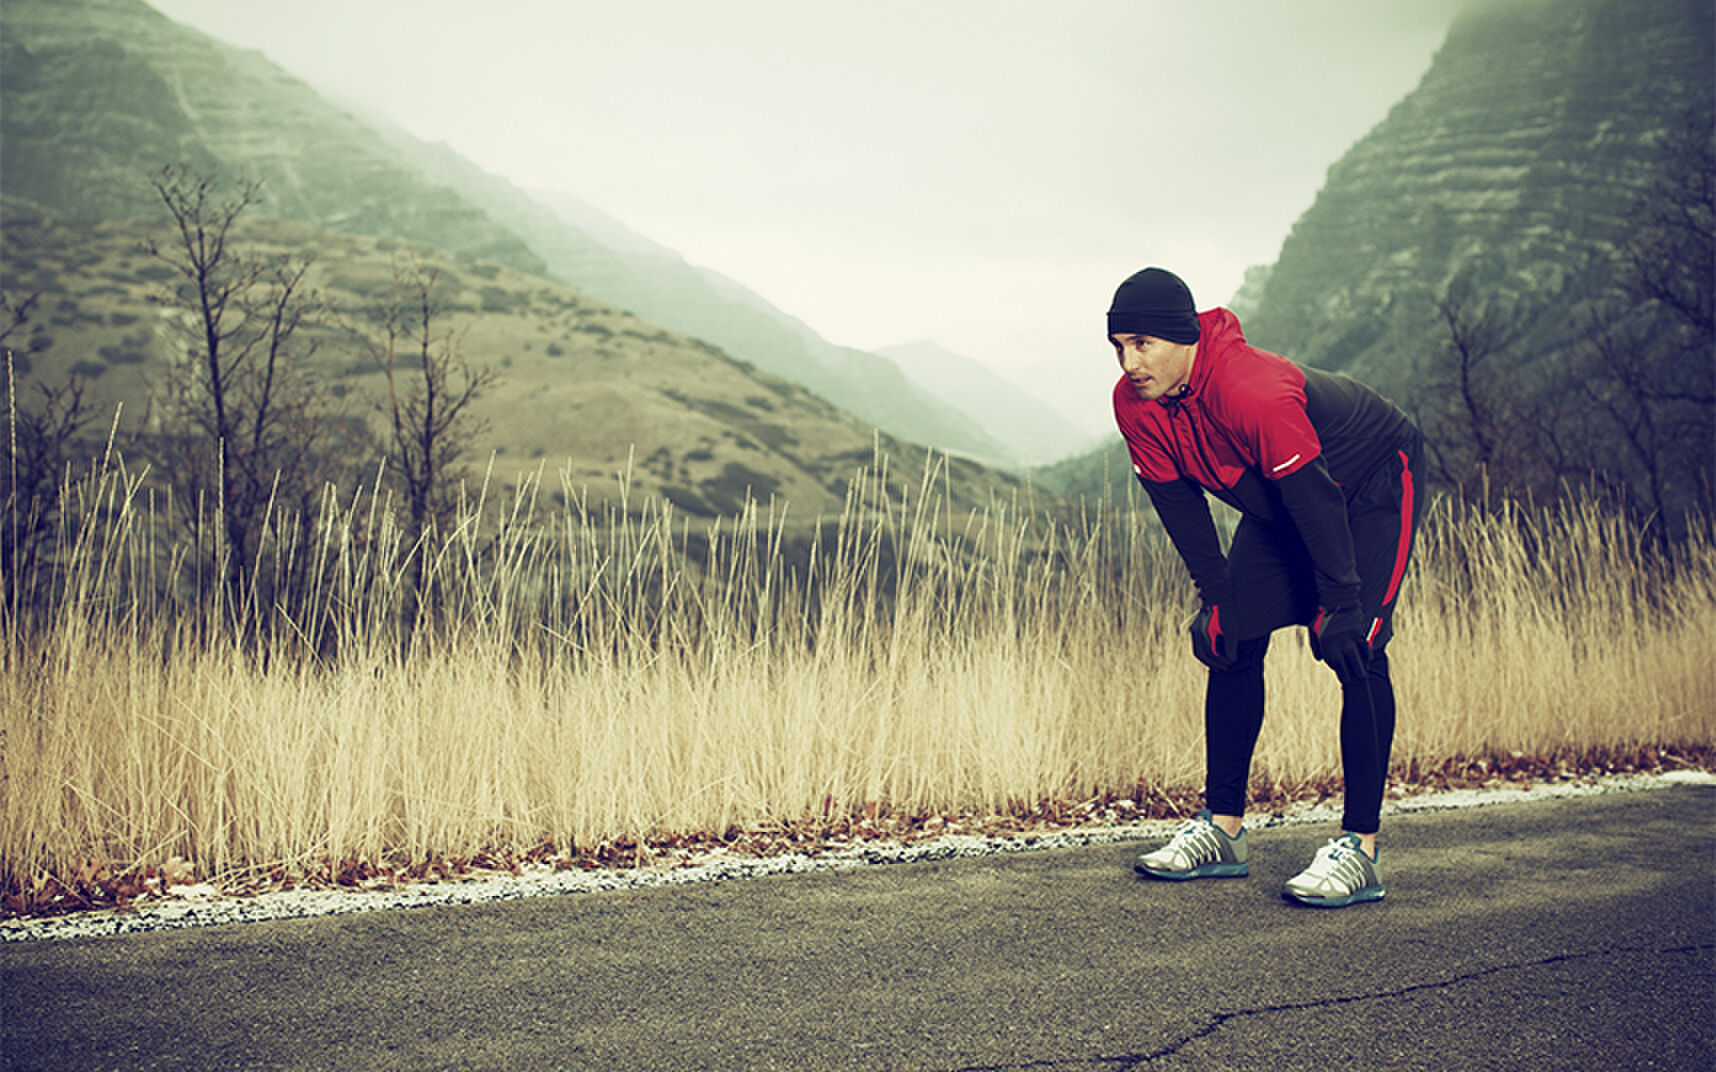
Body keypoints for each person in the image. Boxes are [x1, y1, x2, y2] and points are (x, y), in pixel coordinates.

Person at [1109, 266, 1423, 908]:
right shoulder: (1135, 404)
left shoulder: (1250, 390)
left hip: (1370, 487)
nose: (1129, 362)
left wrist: (1341, 604)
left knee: (1356, 647)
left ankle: (1360, 850)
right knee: (1231, 636)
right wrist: (1215, 597)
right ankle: (1223, 831)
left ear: (1184, 337)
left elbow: (1315, 498)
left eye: (1143, 344)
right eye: (1118, 346)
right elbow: (1181, 509)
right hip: (1286, 500)